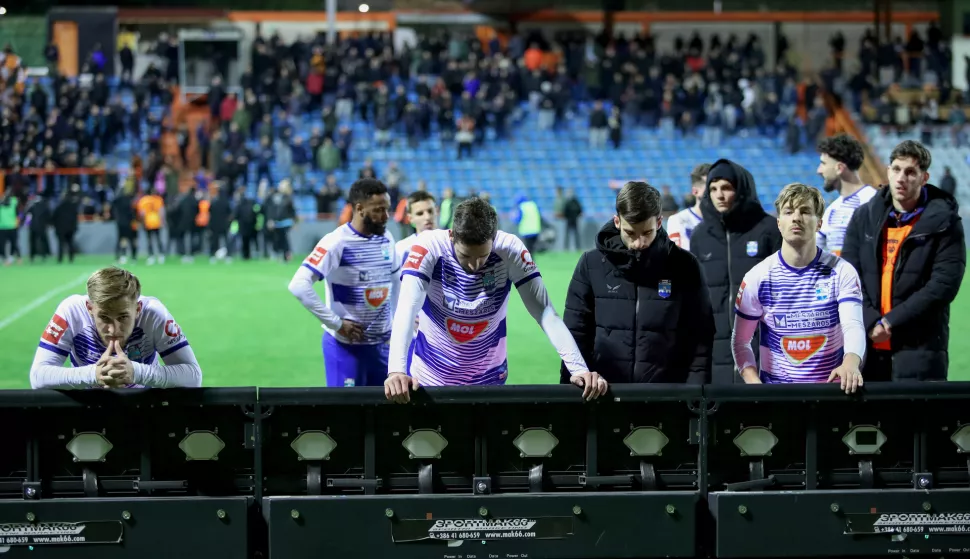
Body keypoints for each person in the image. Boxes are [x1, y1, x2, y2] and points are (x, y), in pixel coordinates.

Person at [384, 197, 607, 401]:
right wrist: (396, 370)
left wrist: (578, 369)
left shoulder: (510, 249)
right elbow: (406, 309)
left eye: (482, 256)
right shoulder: (428, 246)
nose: (474, 266)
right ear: (452, 234)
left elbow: (545, 313)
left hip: (490, 380)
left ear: (494, 237)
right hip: (431, 379)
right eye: (465, 256)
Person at [561, 181, 714, 384]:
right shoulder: (591, 264)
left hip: (667, 398)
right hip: (604, 395)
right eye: (630, 233)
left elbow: (700, 335)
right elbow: (575, 331)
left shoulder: (685, 266)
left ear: (659, 223)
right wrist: (571, 384)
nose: (639, 243)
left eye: (647, 233)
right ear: (617, 222)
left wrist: (696, 392)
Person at [842, 140, 966, 381]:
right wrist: (870, 322)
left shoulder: (945, 222)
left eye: (910, 172)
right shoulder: (864, 217)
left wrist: (890, 322)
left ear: (924, 177)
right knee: (868, 420)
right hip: (867, 349)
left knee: (918, 420)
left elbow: (942, 285)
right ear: (888, 171)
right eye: (896, 169)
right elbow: (849, 275)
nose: (901, 178)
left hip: (920, 349)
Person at [732, 183, 865, 392]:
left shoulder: (842, 271)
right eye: (788, 212)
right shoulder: (758, 277)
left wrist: (850, 362)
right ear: (778, 223)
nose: (796, 218)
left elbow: (853, 325)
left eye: (805, 211)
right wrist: (754, 385)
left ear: (819, 223)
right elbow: (740, 341)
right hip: (777, 398)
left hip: (831, 394)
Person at [288, 178, 398, 387]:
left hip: (382, 348)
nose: (386, 217)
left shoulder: (387, 238)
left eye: (387, 209)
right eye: (378, 210)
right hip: (346, 348)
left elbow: (395, 283)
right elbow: (299, 285)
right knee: (346, 416)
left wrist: (397, 325)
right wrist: (336, 323)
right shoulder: (336, 242)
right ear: (359, 209)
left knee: (385, 416)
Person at [29, 267, 203, 389]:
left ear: (137, 309)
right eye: (104, 317)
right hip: (88, 411)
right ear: (90, 309)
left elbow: (193, 376)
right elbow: (38, 376)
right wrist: (94, 375)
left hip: (143, 408)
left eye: (123, 317)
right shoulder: (71, 311)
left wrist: (135, 372)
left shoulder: (154, 314)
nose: (113, 329)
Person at [690, 159, 782, 384]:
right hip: (716, 352)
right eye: (713, 189)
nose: (719, 195)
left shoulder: (768, 229)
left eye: (726, 188)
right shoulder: (700, 236)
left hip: (763, 348)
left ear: (741, 189)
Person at [816, 134, 878, 256]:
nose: (819, 170)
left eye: (823, 164)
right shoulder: (832, 209)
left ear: (839, 168)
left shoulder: (872, 202)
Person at [666, 163, 710, 250]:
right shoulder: (679, 220)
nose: (717, 193)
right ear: (695, 191)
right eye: (710, 188)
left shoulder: (725, 221)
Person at [394, 191, 438, 269]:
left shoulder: (451, 243)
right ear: (410, 218)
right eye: (420, 213)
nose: (427, 217)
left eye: (430, 211)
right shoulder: (401, 248)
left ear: (437, 212)